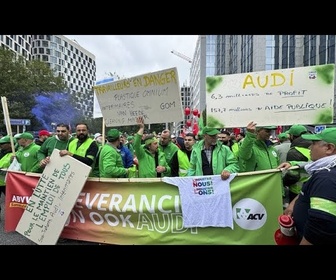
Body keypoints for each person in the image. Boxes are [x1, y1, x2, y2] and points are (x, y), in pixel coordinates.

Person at [279, 127, 336, 244]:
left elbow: (321, 226)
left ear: (329, 148)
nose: (309, 147)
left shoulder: (326, 178)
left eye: (314, 143)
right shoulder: (324, 169)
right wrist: (295, 203)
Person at [283, 124, 312, 203]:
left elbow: (293, 176)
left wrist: (283, 183)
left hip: (297, 191)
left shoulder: (294, 152)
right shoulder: (314, 145)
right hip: (312, 188)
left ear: (292, 136)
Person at [0, 135, 16, 217]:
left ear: (10, 144)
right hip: (1, 182)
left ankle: (14, 218)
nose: (1, 145)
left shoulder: (15, 154)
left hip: (8, 183)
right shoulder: (0, 152)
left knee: (13, 202)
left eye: (3, 143)